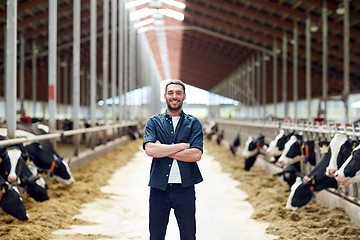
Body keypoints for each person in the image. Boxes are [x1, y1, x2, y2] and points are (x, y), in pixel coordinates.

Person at [143, 79, 203, 240]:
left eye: (178, 93)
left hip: (185, 189)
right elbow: (150, 150)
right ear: (165, 96)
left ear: (184, 96)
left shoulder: (194, 123)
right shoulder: (153, 122)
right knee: (156, 235)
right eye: (171, 93)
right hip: (158, 189)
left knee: (188, 235)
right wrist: (182, 146)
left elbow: (196, 155)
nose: (174, 96)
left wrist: (162, 149)